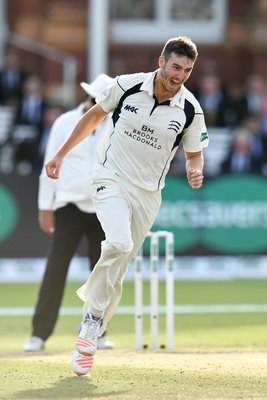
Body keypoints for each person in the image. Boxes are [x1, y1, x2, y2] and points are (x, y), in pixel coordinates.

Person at [45, 36, 209, 376]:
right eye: (176, 67)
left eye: (187, 70)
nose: (180, 75)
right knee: (117, 244)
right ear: (162, 60)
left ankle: (94, 319)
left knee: (119, 265)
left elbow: (194, 153)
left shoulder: (191, 109)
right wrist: (61, 154)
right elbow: (92, 119)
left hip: (148, 193)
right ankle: (91, 324)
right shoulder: (127, 86)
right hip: (110, 178)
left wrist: (195, 169)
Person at [23, 74, 115, 353]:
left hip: (102, 207)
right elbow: (49, 167)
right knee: (55, 269)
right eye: (92, 100)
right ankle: (39, 334)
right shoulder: (64, 123)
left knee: (101, 276)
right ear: (86, 98)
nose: (93, 105)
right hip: (69, 207)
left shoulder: (113, 125)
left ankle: (98, 333)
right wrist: (45, 207)